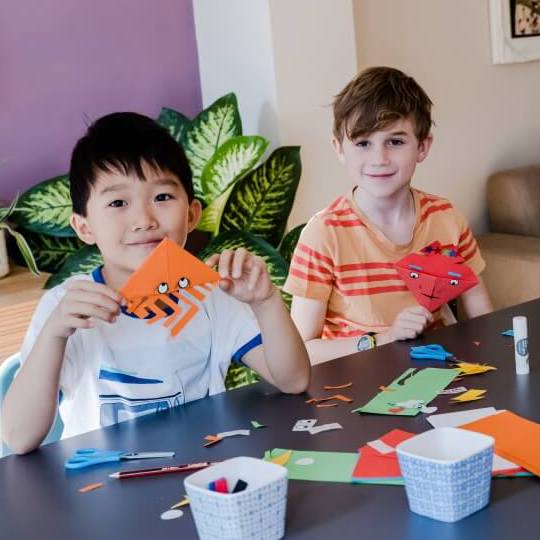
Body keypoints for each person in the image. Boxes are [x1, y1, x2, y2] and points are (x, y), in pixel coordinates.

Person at [2, 112, 310, 454]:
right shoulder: (65, 307)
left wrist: (265, 302)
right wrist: (54, 332)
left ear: (191, 214)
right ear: (84, 227)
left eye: (162, 197)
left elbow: (293, 380)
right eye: (118, 202)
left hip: (200, 475)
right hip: (103, 491)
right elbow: (18, 437)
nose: (144, 220)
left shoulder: (212, 297)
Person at [284, 66, 492, 365]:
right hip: (357, 383)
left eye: (395, 142)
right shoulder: (325, 233)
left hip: (439, 372)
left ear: (422, 147)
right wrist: (384, 339)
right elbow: (301, 351)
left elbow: (483, 319)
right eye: (363, 143)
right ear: (339, 149)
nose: (379, 159)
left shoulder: (444, 218)